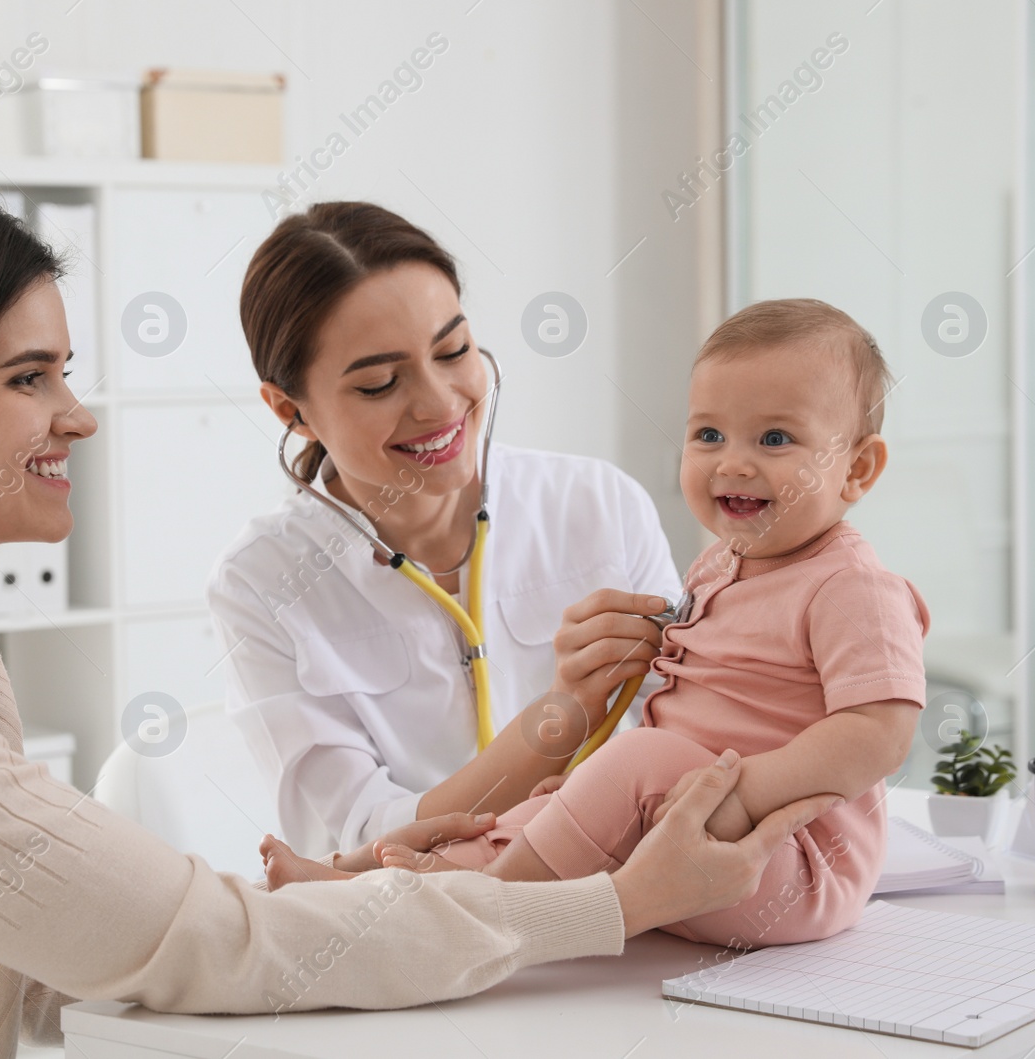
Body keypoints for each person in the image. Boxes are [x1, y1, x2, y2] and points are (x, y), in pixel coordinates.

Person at [0, 192, 842, 1056]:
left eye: (65, 371)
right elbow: (186, 940)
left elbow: (93, 920)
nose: (80, 414)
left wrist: (373, 883)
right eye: (29, 378)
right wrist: (608, 901)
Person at [264, 300, 931, 952]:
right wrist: (598, 780)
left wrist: (735, 796)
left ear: (858, 468)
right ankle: (360, 887)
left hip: (788, 860)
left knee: (634, 761)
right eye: (708, 434)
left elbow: (879, 733)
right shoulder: (718, 566)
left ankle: (485, 914)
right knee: (539, 808)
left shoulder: (852, 587)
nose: (732, 462)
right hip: (680, 843)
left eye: (775, 439)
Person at [207, 201, 682, 859]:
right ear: (291, 410)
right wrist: (560, 715)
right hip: (419, 933)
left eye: (453, 350)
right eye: (379, 384)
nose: (439, 403)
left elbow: (697, 728)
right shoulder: (261, 582)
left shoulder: (597, 504)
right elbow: (365, 840)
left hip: (632, 904)